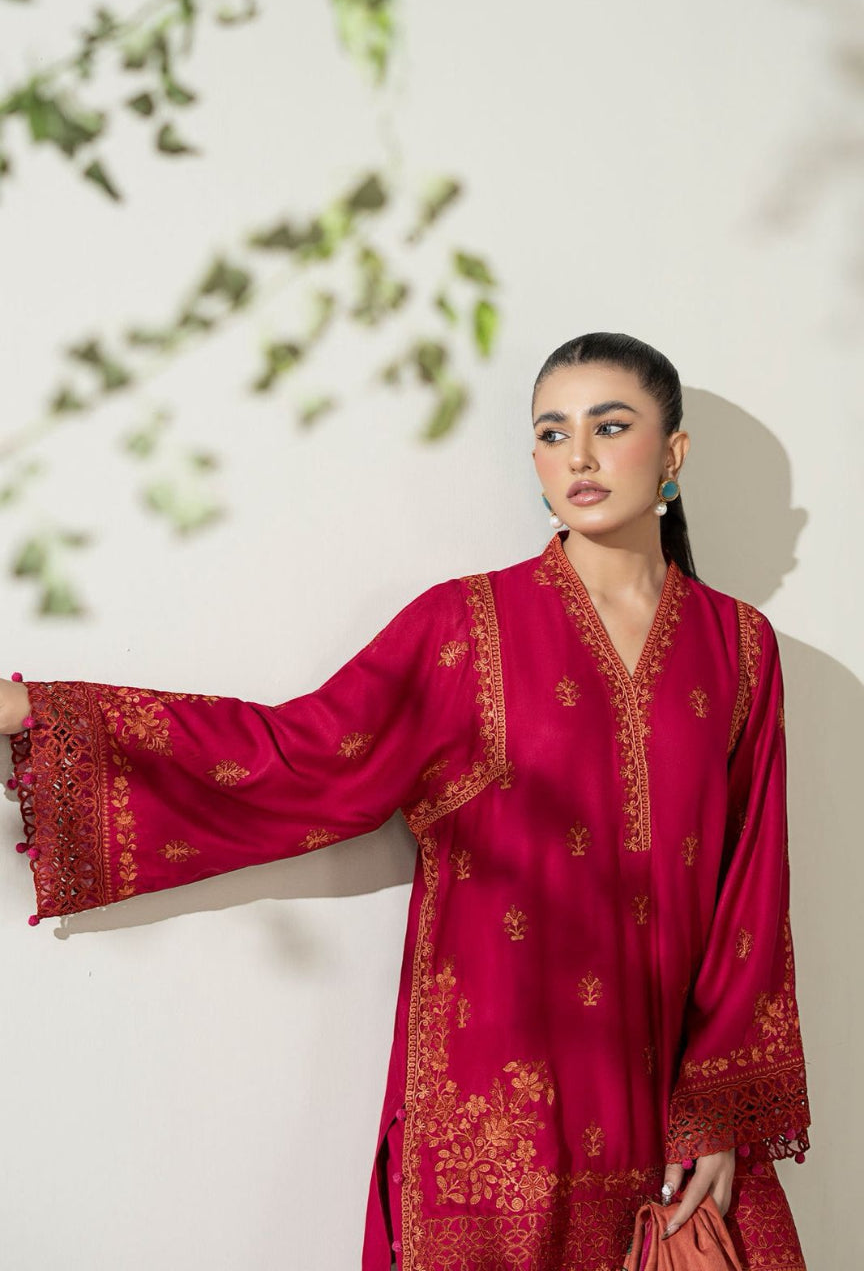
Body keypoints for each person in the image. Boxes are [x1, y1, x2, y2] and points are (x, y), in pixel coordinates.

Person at [1, 332, 811, 1270]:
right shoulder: (464, 628)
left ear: (672, 452)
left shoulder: (741, 649)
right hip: (499, 1124)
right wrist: (39, 711)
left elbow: (754, 891)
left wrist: (717, 1108)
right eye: (551, 433)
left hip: (672, 1125)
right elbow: (299, 755)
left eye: (610, 425)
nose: (579, 457)